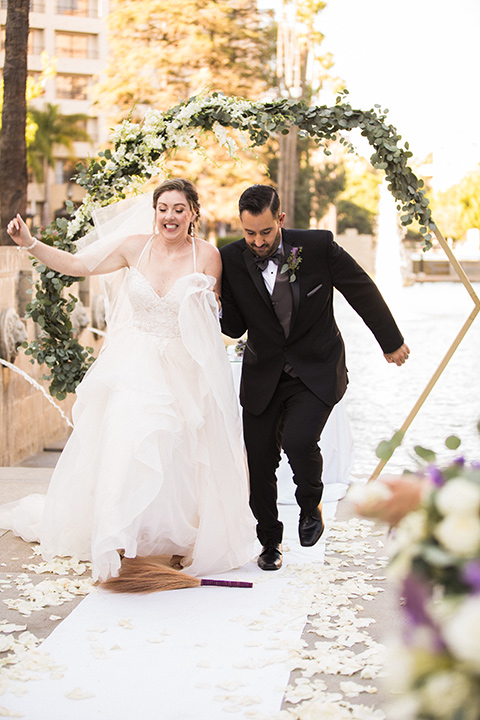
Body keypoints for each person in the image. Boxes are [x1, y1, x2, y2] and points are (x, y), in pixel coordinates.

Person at [4, 178, 255, 583]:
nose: (170, 216)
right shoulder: (133, 247)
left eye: (178, 209)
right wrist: (29, 243)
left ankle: (168, 539)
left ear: (193, 213)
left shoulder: (207, 256)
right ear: (154, 211)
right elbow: (78, 265)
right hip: (133, 363)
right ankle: (117, 535)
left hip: (182, 366)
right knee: (126, 439)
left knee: (176, 453)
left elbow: (217, 317)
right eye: (163, 208)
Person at [219, 184, 410, 571]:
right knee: (259, 463)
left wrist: (391, 342)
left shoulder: (318, 247)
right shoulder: (231, 260)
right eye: (249, 233)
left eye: (266, 232)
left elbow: (360, 289)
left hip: (315, 368)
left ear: (281, 221)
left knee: (299, 439)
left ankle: (311, 503)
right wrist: (210, 300)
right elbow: (237, 327)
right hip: (263, 375)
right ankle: (269, 542)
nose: (257, 241)